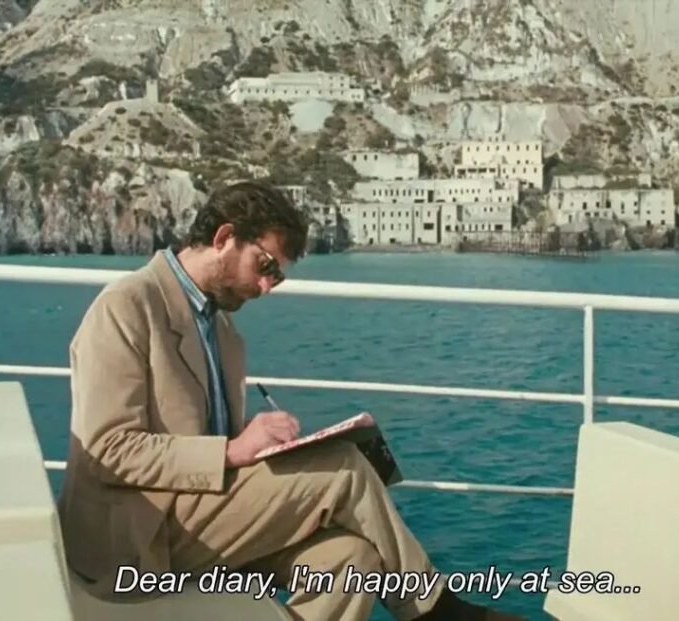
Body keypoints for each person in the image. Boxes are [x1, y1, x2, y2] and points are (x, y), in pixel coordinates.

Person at [57, 180, 526, 621]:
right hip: (135, 537)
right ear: (224, 238)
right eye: (265, 266)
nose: (266, 288)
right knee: (343, 468)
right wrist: (232, 450)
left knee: (351, 560)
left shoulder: (221, 330)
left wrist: (259, 449)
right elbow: (107, 449)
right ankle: (436, 612)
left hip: (198, 517)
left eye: (277, 277)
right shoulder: (127, 306)